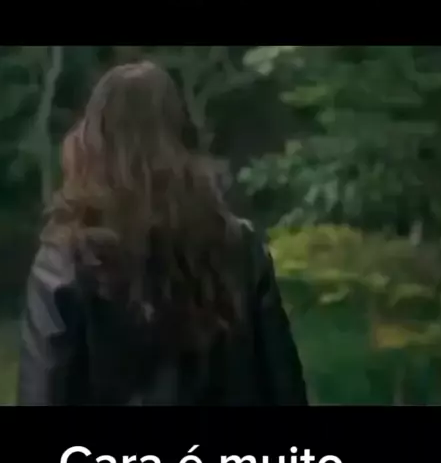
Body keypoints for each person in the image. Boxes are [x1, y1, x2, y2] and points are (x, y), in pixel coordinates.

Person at [17, 61, 307, 406]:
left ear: (90, 145)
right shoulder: (239, 249)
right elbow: (285, 392)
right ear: (184, 143)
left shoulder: (65, 264)